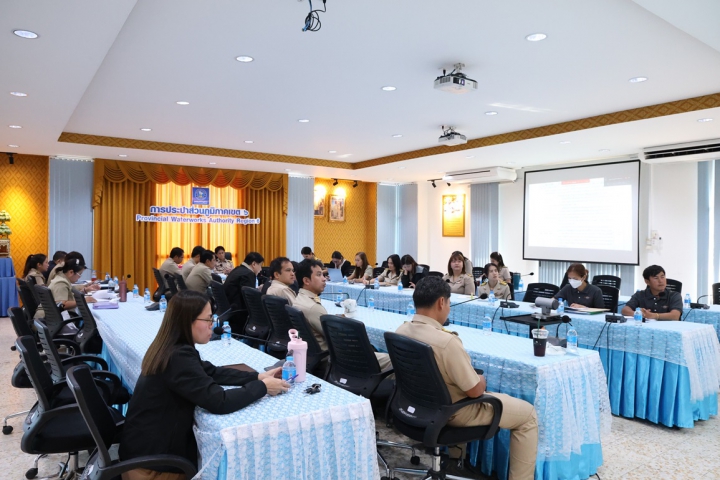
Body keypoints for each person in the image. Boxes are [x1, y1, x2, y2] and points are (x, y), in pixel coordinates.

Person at [119, 290, 289, 479]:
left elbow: (212, 372)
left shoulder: (171, 346)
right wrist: (264, 387)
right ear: (188, 321)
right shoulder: (178, 357)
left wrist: (258, 376)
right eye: (208, 319)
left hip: (143, 452)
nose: (212, 325)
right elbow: (219, 401)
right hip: (153, 468)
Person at [395, 276, 537, 479]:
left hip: (416, 406)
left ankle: (455, 462)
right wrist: (481, 380)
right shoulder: (446, 342)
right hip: (452, 413)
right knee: (528, 416)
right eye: (449, 303)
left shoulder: (401, 330)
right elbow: (475, 391)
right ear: (441, 302)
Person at [294, 259, 391, 370]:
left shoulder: (298, 300)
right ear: (306, 281)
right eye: (319, 275)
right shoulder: (313, 308)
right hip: (336, 357)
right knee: (391, 360)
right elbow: (338, 337)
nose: (324, 278)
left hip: (314, 355)